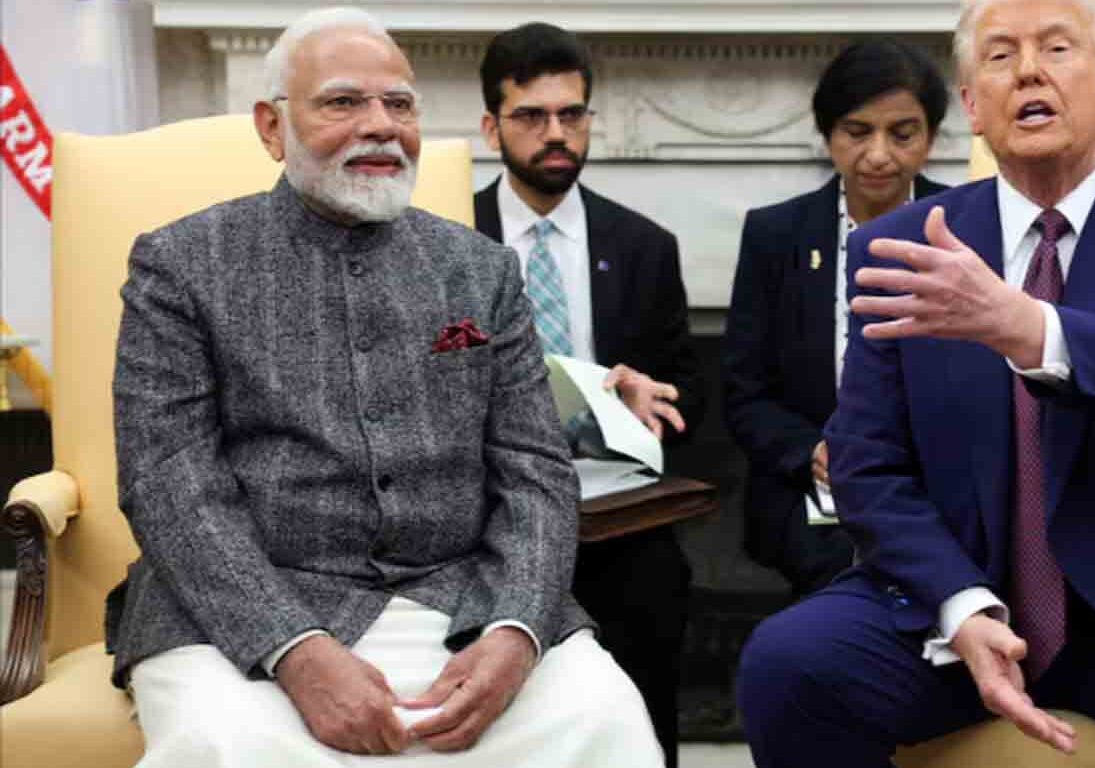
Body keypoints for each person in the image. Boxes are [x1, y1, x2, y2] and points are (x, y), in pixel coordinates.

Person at [735, 1, 1095, 766]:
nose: (1028, 71)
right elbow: (865, 462)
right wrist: (962, 605)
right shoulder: (901, 248)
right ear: (974, 108)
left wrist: (1026, 327)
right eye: (999, 56)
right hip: (952, 604)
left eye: (1056, 48)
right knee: (787, 667)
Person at [107, 7, 662, 767]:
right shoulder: (181, 265)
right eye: (343, 102)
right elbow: (169, 484)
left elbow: (536, 472)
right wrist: (292, 648)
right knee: (225, 742)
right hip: (241, 608)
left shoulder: (481, 271)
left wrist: (517, 632)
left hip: (459, 598)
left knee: (607, 717)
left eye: (399, 105)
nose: (381, 126)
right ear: (272, 128)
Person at [471, 22, 701, 768]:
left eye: (572, 115)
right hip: (481, 512)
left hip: (610, 511)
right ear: (490, 126)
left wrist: (649, 405)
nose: (556, 134)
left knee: (656, 584)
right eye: (532, 117)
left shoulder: (644, 246)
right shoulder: (449, 238)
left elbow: (687, 400)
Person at [723, 39, 950, 596]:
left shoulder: (966, 230)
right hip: (812, 487)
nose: (878, 154)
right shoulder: (776, 235)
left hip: (936, 481)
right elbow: (745, 393)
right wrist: (812, 453)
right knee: (840, 576)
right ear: (828, 136)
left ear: (930, 139)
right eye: (857, 132)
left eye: (902, 134)